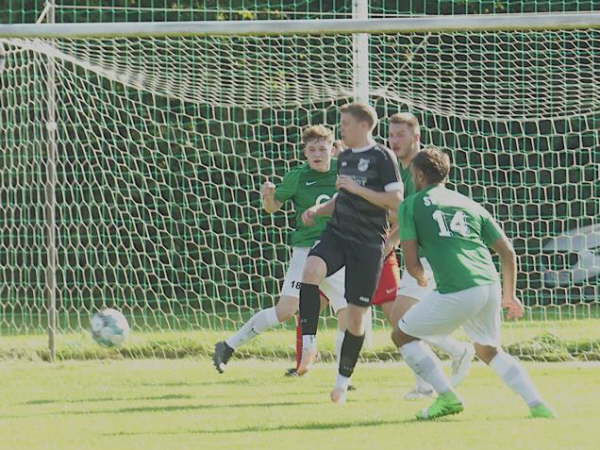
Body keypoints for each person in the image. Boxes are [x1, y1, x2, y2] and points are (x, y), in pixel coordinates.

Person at [392, 147, 555, 420]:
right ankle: (538, 404)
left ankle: (447, 397)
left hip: (459, 287)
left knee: (402, 335)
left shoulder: (412, 203)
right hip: (489, 284)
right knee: (488, 349)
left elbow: (411, 262)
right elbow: (507, 252)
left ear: (418, 175)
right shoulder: (468, 203)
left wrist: (420, 277)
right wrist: (509, 295)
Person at [212, 125, 348, 373]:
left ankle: (343, 377)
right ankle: (227, 346)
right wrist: (268, 196)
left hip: (338, 249)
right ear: (305, 153)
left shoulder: (343, 171)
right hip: (307, 252)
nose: (317, 153)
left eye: (322, 148)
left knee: (348, 313)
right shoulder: (297, 175)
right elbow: (272, 207)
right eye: (311, 149)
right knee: (285, 310)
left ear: (332, 148)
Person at [298, 102, 402, 404]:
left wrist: (358, 190)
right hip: (337, 234)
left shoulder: (383, 156)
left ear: (362, 126)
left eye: (345, 123)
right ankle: (308, 344)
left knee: (356, 320)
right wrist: (319, 210)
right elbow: (341, 195)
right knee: (310, 271)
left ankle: (342, 383)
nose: (340, 128)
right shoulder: (343, 157)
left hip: (368, 243)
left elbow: (396, 200)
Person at [382, 113, 474, 400]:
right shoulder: (407, 170)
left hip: (425, 259)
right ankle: (453, 353)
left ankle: (431, 382)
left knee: (403, 324)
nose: (394, 140)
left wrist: (387, 243)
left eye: (400, 135)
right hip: (426, 257)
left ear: (416, 137)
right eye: (391, 135)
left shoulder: (420, 171)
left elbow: (414, 217)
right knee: (407, 322)